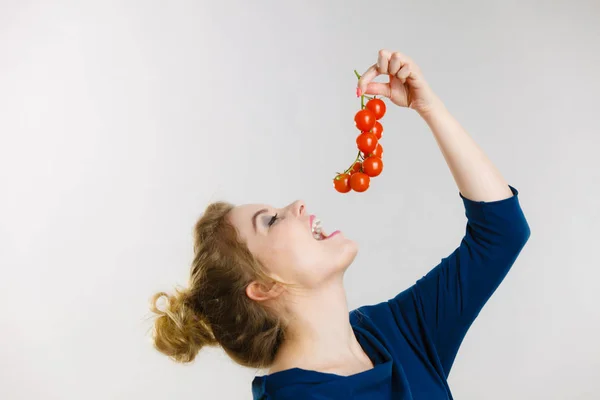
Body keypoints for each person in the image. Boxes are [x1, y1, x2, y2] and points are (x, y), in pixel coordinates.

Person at [148, 49, 531, 399]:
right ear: (262, 287)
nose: (297, 204)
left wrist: (428, 108)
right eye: (271, 220)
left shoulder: (392, 332)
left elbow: (502, 233)